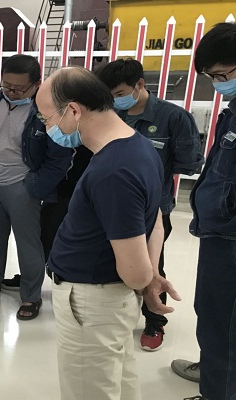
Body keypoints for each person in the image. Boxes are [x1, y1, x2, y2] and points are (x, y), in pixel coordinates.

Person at [36, 66, 180, 400]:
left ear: (74, 110)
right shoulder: (139, 145)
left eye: (47, 118)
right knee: (117, 381)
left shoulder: (113, 171)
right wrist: (152, 273)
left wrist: (146, 278)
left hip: (92, 301)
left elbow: (134, 274)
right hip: (104, 301)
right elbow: (155, 219)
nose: (47, 128)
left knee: (91, 390)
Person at [97, 58, 204, 351]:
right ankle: (117, 315)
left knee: (151, 265)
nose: (115, 101)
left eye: (119, 94)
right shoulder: (110, 115)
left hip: (153, 209)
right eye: (110, 96)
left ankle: (155, 320)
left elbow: (189, 163)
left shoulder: (174, 117)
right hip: (111, 205)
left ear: (140, 84)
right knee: (117, 261)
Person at [0, 54, 73, 320]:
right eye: (6, 86)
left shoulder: (47, 111)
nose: (11, 92)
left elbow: (59, 157)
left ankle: (30, 295)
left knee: (28, 243)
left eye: (18, 88)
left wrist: (35, 185)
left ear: (36, 85)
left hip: (21, 184)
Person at [182, 22, 236, 400]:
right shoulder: (232, 113)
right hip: (218, 233)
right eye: (210, 77)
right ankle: (216, 380)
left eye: (221, 75)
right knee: (212, 316)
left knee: (223, 328)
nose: (217, 85)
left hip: (230, 239)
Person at [0, 145, 93, 291]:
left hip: (82, 190)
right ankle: (30, 278)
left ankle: (72, 283)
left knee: (78, 241)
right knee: (43, 234)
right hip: (61, 189)